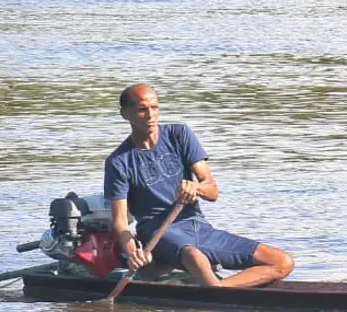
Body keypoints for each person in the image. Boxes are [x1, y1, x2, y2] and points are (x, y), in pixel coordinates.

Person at [105, 84, 295, 288]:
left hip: (199, 228)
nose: (150, 115)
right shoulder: (118, 162)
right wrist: (133, 253)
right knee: (195, 256)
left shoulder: (179, 135)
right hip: (158, 234)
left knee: (283, 262)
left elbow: (212, 191)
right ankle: (213, 288)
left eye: (155, 107)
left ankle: (219, 289)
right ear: (125, 114)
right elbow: (120, 222)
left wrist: (196, 188)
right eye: (142, 109)